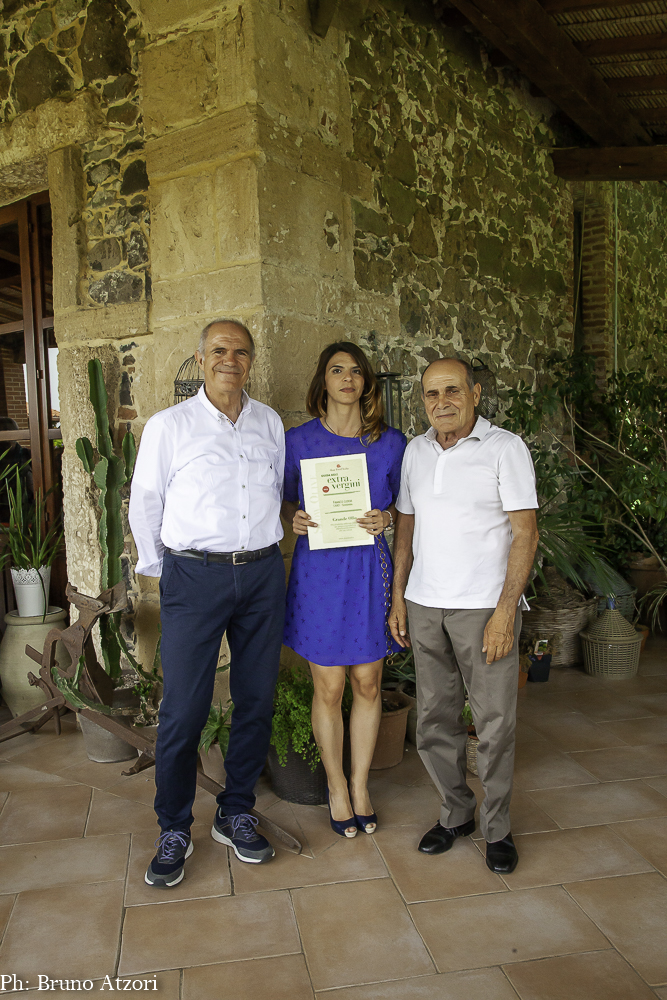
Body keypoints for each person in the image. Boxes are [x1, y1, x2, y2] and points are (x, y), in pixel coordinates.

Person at [129, 318, 285, 887]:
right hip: (193, 576)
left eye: (240, 351)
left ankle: (235, 811)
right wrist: (164, 571)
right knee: (184, 709)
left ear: (251, 361)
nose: (230, 360)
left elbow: (277, 489)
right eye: (219, 350)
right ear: (200, 360)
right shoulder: (169, 427)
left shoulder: (269, 422)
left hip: (262, 573)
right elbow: (146, 501)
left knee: (256, 698)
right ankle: (174, 825)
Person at [389, 357, 538, 874]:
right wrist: (399, 596)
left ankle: (497, 828)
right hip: (425, 604)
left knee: (494, 724)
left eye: (452, 390)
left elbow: (525, 533)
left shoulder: (505, 448)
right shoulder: (416, 451)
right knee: (434, 719)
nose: (442, 402)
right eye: (432, 393)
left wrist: (504, 611)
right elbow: (405, 529)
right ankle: (455, 814)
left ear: (474, 394)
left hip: (484, 608)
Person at [282, 342, 406, 837]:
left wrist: (387, 517)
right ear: (323, 381)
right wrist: (292, 517)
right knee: (329, 687)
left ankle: (360, 786)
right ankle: (335, 787)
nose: (347, 378)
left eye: (356, 371)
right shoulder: (297, 441)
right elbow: (283, 499)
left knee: (368, 683)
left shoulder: (390, 443)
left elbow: (404, 506)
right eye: (337, 370)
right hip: (319, 573)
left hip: (368, 570)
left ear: (366, 382)